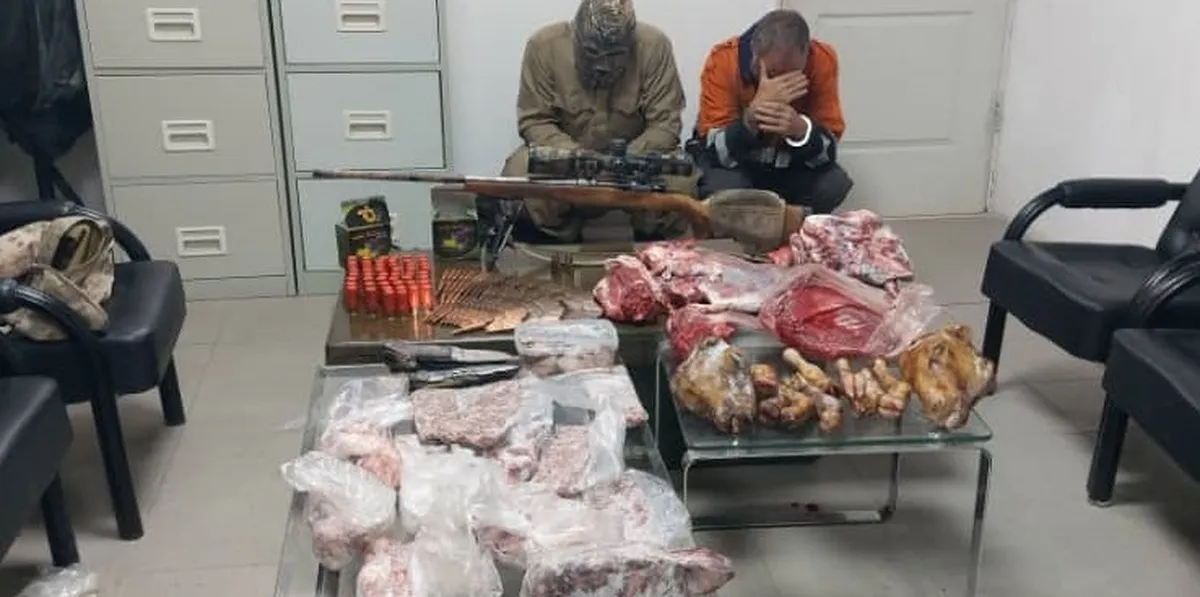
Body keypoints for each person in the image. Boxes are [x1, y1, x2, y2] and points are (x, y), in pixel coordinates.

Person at [480, 0, 695, 245]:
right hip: (567, 160)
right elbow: (534, 121)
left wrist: (625, 161)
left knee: (680, 183)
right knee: (519, 172)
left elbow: (665, 125)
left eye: (616, 55)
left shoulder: (655, 46)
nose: (604, 66)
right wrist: (579, 157)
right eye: (592, 52)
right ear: (577, 37)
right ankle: (552, 248)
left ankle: (656, 254)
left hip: (634, 163)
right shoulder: (543, 47)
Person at [694, 9, 853, 216]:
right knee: (722, 188)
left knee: (834, 183)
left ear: (807, 55)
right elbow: (714, 152)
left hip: (789, 165)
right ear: (754, 54)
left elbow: (828, 150)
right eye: (773, 74)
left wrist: (801, 131)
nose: (781, 87)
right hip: (739, 165)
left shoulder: (822, 60)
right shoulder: (724, 60)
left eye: (792, 76)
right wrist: (750, 121)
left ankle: (798, 227)